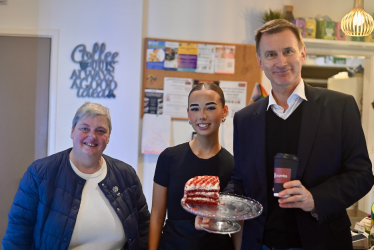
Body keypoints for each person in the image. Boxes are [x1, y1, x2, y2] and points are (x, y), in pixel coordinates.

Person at [196, 19, 374, 250]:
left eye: (288, 51)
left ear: (302, 53)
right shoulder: (245, 119)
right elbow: (241, 181)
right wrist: (218, 209)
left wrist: (315, 199)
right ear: (260, 62)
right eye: (270, 54)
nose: (280, 62)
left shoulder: (340, 107)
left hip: (323, 242)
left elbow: (361, 175)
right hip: (260, 244)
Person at [2, 102, 150, 250]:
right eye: (84, 128)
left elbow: (144, 228)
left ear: (108, 137)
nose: (92, 136)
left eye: (100, 131)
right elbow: (17, 236)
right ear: (72, 131)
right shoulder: (40, 173)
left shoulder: (126, 175)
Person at [149, 82, 238, 250]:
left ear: (224, 111)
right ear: (188, 113)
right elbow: (157, 215)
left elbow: (237, 223)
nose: (202, 116)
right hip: (173, 245)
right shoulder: (169, 158)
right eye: (195, 109)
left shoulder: (233, 165)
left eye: (210, 108)